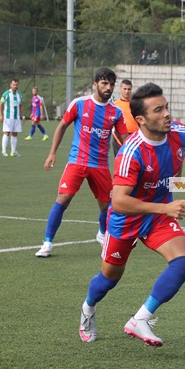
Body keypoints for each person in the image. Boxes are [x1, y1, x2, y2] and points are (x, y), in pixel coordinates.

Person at [78, 82, 185, 347]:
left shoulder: (180, 134)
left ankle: (140, 318)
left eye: (166, 107)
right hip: (126, 219)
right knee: (108, 279)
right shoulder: (131, 152)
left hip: (158, 217)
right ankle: (88, 308)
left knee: (184, 261)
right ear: (141, 119)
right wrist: (165, 207)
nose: (167, 114)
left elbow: (177, 167)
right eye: (158, 110)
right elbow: (119, 202)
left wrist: (169, 197)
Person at [35, 68, 129, 258]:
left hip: (100, 165)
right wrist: (52, 153)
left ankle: (102, 234)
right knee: (63, 198)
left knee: (106, 206)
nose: (108, 87)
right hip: (77, 161)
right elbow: (62, 126)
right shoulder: (79, 104)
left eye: (111, 84)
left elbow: (126, 139)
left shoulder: (116, 112)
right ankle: (47, 243)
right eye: (104, 83)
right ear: (95, 84)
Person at [0, 78, 26, 157]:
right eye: (14, 85)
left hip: (16, 117)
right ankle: (4, 151)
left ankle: (13, 151)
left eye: (16, 85)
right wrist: (0, 115)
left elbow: (21, 106)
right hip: (8, 117)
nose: (15, 86)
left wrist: (23, 117)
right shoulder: (6, 94)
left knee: (15, 133)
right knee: (7, 132)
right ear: (11, 85)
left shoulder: (19, 95)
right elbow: (0, 105)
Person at [112, 79, 137, 157]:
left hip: (134, 136)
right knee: (120, 159)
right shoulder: (115, 105)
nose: (127, 91)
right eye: (125, 89)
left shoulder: (135, 104)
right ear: (120, 89)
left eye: (129, 89)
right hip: (118, 137)